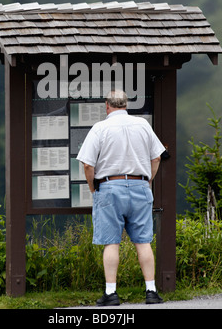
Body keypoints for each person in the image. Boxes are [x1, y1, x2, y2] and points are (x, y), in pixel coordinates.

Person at [76, 89, 165, 306]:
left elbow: (88, 164)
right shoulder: (143, 125)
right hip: (140, 185)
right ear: (126, 104)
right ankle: (151, 291)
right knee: (143, 241)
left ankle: (111, 293)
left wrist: (92, 188)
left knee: (111, 243)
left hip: (109, 187)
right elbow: (156, 157)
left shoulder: (100, 128)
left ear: (107, 105)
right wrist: (148, 180)